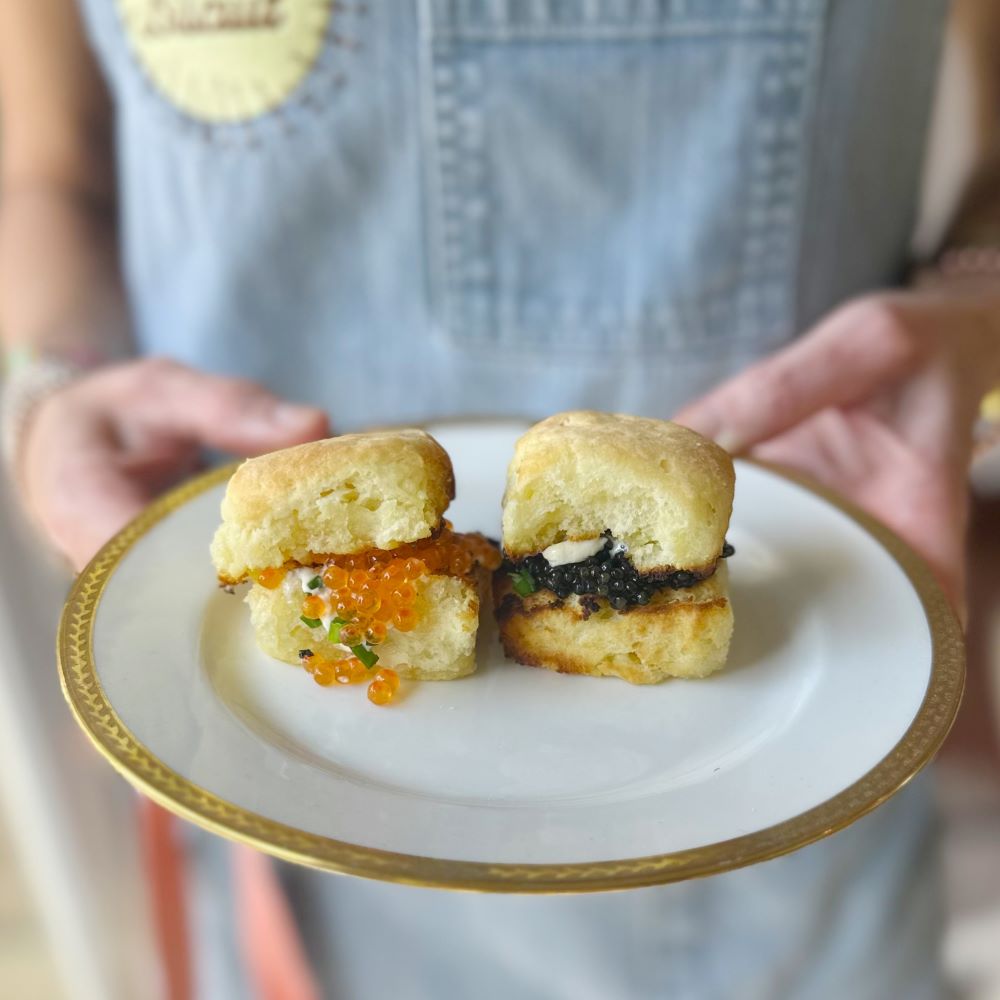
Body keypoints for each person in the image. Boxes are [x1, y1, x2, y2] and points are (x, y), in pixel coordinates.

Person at [1, 0, 998, 996]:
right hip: (264, 787)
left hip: (781, 847)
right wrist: (47, 387)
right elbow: (46, 174)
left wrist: (977, 297)